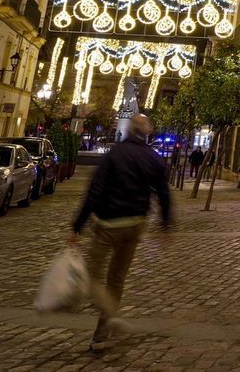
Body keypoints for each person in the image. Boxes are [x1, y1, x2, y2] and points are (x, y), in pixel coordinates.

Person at [70, 113, 171, 351]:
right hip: (135, 224)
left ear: (127, 130)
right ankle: (101, 334)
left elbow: (95, 191)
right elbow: (163, 193)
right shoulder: (153, 158)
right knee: (116, 279)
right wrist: (165, 224)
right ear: (147, 132)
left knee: (91, 276)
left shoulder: (114, 155)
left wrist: (77, 226)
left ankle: (108, 314)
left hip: (108, 224)